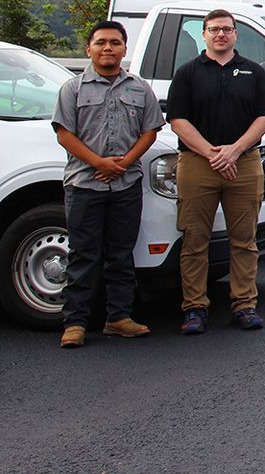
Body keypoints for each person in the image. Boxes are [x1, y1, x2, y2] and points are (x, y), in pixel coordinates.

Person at [51, 20, 164, 348]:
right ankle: (74, 323)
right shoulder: (73, 89)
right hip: (85, 184)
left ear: (124, 49)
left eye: (115, 42)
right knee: (83, 255)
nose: (108, 48)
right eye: (101, 42)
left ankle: (118, 317)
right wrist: (98, 162)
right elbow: (64, 133)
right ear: (89, 48)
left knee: (120, 254)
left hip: (126, 184)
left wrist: (124, 163)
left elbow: (150, 131)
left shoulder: (140, 89)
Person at [167, 8, 265, 334]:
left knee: (244, 240)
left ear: (235, 34)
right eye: (214, 30)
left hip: (243, 164)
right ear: (204, 34)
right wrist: (212, 153)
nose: (220, 35)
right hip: (198, 165)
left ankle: (244, 305)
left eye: (227, 30)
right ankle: (194, 309)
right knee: (194, 239)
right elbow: (178, 120)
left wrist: (234, 150)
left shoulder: (254, 72)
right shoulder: (187, 73)